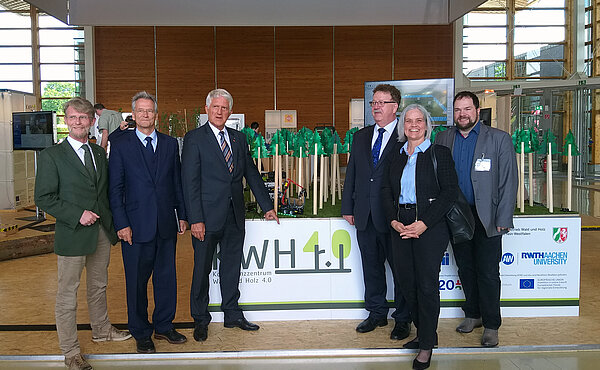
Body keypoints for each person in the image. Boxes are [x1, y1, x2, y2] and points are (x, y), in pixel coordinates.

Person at [34, 97, 131, 370]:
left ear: (91, 121)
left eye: (84, 118)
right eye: (73, 117)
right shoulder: (52, 156)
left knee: (98, 287)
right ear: (66, 121)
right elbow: (44, 197)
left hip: (100, 232)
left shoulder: (99, 153)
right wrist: (77, 214)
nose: (78, 122)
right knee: (68, 294)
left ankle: (102, 331)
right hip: (73, 232)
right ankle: (71, 351)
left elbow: (103, 193)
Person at [181, 88, 279, 342]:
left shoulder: (238, 138)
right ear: (207, 109)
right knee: (201, 270)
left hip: (234, 215)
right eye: (215, 107)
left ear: (230, 112)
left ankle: (232, 314)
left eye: (224, 108)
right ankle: (201, 319)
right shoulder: (194, 139)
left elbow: (251, 173)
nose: (219, 112)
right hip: (206, 218)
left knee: (232, 268)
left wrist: (267, 205)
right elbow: (189, 183)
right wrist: (196, 219)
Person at [435, 91, 518, 347]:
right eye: (458, 109)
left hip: (488, 216)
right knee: (466, 269)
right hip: (456, 216)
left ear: (477, 111)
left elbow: (508, 181)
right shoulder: (443, 138)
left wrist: (504, 216)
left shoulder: (499, 139)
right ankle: (473, 314)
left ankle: (492, 324)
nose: (462, 114)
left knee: (488, 272)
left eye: (467, 109)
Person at [107, 91, 188, 353]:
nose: (145, 115)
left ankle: (164, 326)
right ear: (133, 115)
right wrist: (121, 224)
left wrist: (182, 215)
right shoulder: (121, 146)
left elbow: (176, 183)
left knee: (166, 279)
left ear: (156, 114)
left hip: (165, 224)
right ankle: (141, 332)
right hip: (134, 226)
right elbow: (115, 189)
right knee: (136, 282)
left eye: (150, 110)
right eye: (140, 111)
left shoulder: (168, 144)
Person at [381, 104, 458, 370]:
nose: (413, 125)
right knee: (406, 283)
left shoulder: (440, 154)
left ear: (426, 124)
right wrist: (393, 219)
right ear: (403, 126)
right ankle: (426, 332)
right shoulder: (396, 155)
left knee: (426, 285)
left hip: (430, 226)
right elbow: (384, 190)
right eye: (408, 121)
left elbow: (450, 193)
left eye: (419, 120)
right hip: (400, 224)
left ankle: (426, 345)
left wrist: (424, 223)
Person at [341, 84, 411, 340]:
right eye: (373, 103)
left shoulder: (406, 136)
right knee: (370, 268)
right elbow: (353, 174)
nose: (376, 107)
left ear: (395, 107)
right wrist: (348, 207)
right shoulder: (361, 136)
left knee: (401, 271)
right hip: (365, 214)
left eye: (382, 102)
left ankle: (403, 319)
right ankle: (377, 313)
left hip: (394, 218)